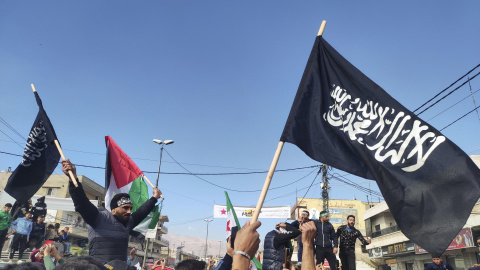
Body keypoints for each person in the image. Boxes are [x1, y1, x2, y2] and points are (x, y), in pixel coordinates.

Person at [62, 159, 162, 263]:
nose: (129, 212)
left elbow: (142, 212)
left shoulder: (128, 222)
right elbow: (82, 203)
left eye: (130, 208)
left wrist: (154, 198)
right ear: (113, 210)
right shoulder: (98, 218)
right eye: (125, 208)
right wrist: (72, 177)